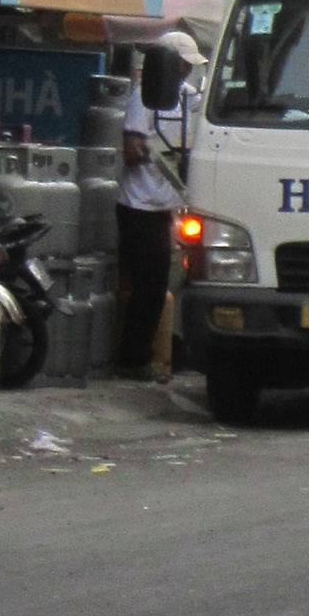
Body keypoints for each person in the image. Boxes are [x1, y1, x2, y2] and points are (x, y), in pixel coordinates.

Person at [115, 52, 189, 381]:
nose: (186, 71)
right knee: (150, 286)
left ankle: (157, 353)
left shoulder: (190, 98)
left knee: (160, 285)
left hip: (166, 206)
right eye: (182, 65)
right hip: (138, 205)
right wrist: (157, 152)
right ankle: (133, 359)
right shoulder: (143, 97)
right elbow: (131, 149)